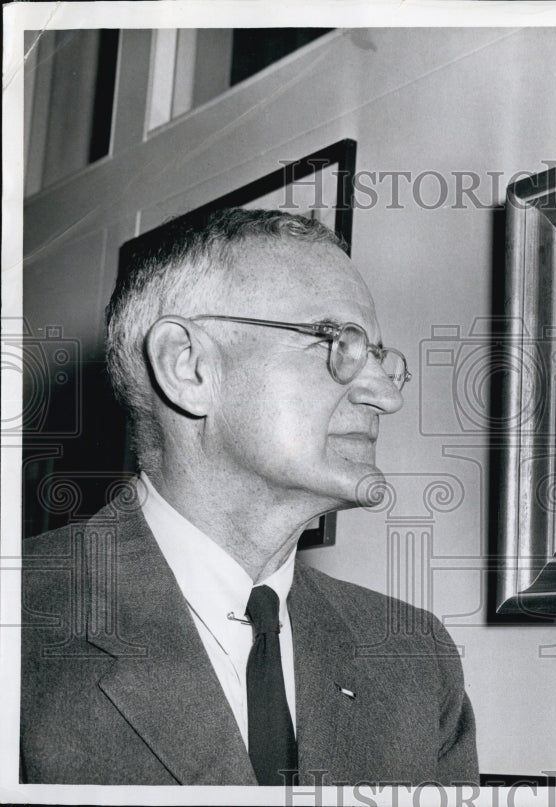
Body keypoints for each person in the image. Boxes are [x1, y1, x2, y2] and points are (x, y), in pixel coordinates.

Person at [20, 208, 478, 786]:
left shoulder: (414, 657)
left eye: (381, 360)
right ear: (188, 368)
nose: (385, 396)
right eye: (337, 344)